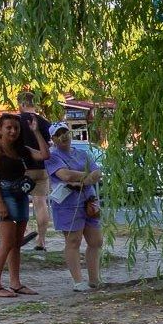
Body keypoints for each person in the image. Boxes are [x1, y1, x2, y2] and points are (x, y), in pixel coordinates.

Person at [0, 112, 50, 297]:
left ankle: (15, 283)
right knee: (6, 242)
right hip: (3, 196)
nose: (13, 131)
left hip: (20, 195)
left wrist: (36, 132)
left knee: (17, 243)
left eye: (16, 128)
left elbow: (44, 155)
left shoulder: (21, 149)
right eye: (8, 128)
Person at [45, 123, 102, 292]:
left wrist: (80, 179)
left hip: (88, 200)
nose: (63, 136)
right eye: (59, 134)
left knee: (96, 240)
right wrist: (86, 176)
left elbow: (97, 173)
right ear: (53, 139)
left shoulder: (82, 153)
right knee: (73, 240)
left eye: (65, 132)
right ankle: (78, 281)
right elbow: (64, 175)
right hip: (68, 204)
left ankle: (94, 279)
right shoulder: (52, 157)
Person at [17, 91, 52, 250]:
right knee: (40, 203)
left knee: (17, 201)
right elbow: (50, 144)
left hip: (22, 169)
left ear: (22, 104)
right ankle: (41, 241)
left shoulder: (17, 121)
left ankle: (27, 231)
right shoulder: (44, 122)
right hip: (42, 168)